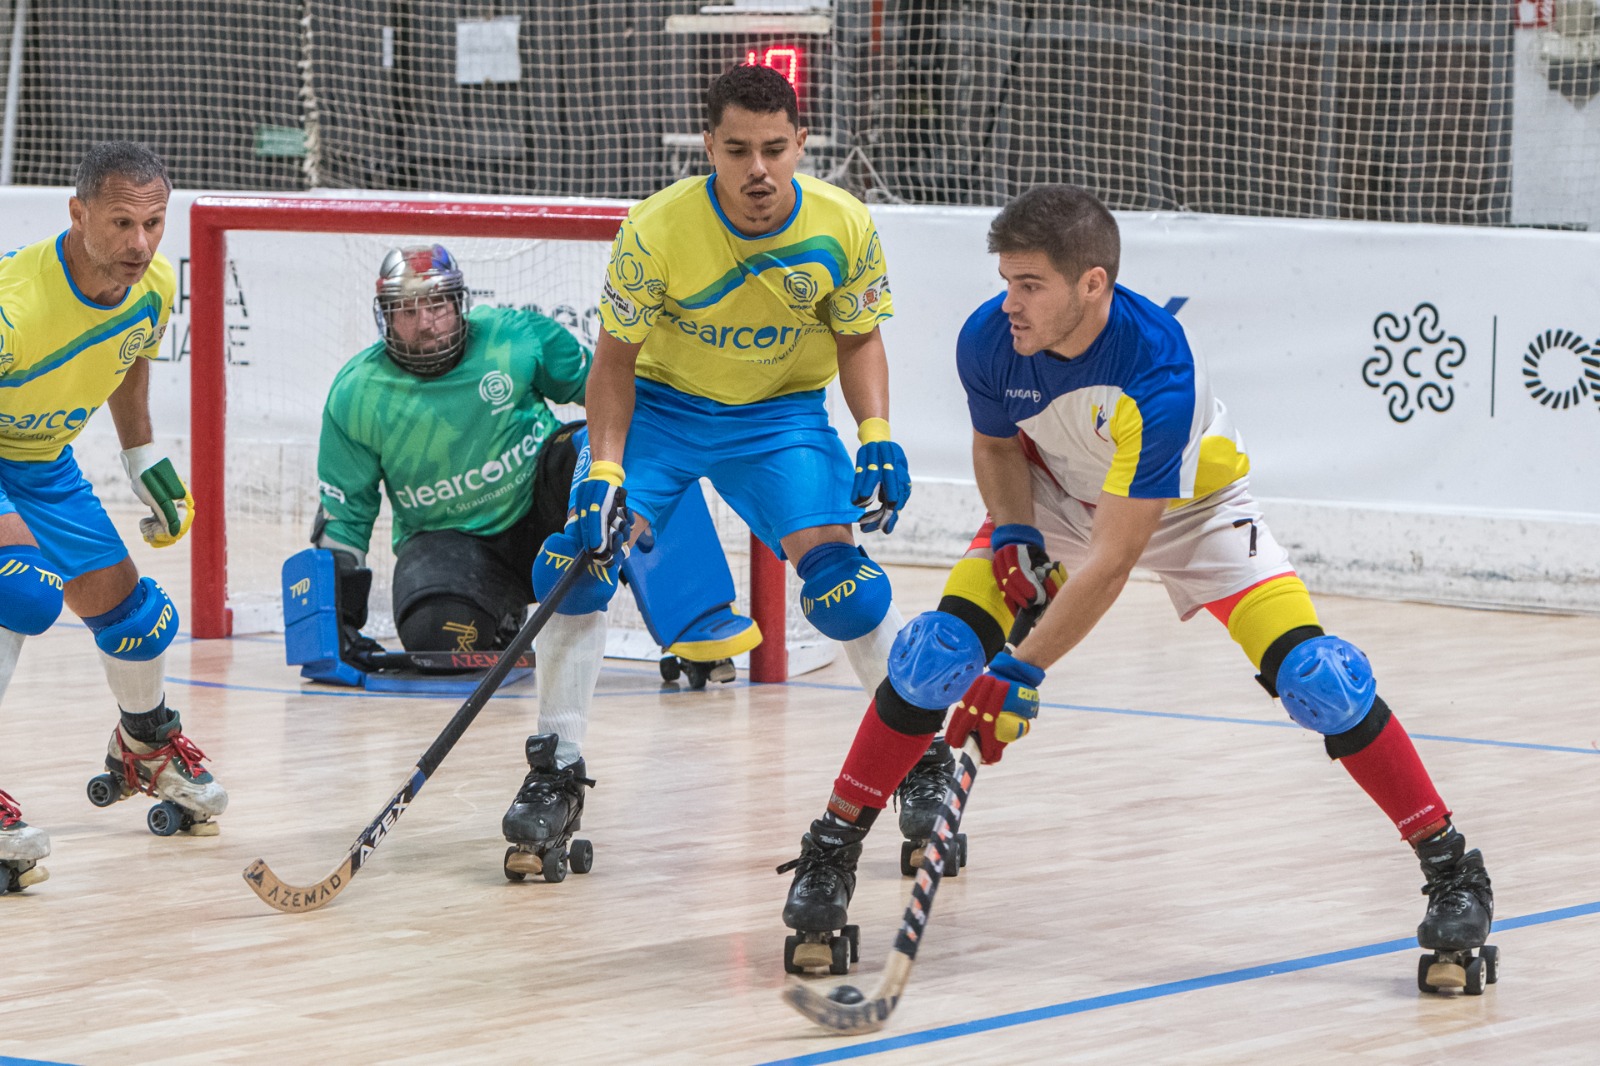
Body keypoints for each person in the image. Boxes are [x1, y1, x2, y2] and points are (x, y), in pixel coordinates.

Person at [778, 185, 1495, 992]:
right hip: (1052, 502)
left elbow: (1114, 561)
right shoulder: (989, 337)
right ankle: (831, 851)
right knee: (933, 657)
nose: (1009, 303)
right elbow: (997, 446)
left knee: (1321, 680)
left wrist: (1016, 672)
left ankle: (1453, 868)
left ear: (1094, 284)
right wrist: (1013, 531)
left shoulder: (1157, 365)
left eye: (1030, 285)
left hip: (1192, 511)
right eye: (1006, 280)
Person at [512, 64, 913, 881]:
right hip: (661, 407)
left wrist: (875, 430)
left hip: (780, 418)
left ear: (803, 143)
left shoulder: (844, 224)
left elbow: (858, 335)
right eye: (737, 150)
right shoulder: (656, 229)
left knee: (849, 589)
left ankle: (922, 757)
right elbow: (613, 361)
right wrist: (607, 470)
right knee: (574, 566)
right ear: (709, 148)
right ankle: (556, 765)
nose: (758, 170)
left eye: (774, 149)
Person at [302, 243, 756, 681]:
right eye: (407, 310)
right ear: (386, 317)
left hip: (549, 503)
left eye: (437, 305)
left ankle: (699, 617)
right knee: (439, 644)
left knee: (629, 450)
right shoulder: (355, 394)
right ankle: (499, 619)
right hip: (449, 542)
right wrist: (334, 624)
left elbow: (609, 391)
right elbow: (346, 516)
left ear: (459, 304)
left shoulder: (517, 337)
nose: (426, 323)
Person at [0, 142, 227, 892]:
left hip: (44, 462)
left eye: (155, 223)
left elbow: (128, 354)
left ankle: (146, 746)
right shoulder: (14, 305)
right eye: (123, 222)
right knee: (22, 589)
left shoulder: (153, 284)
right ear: (78, 213)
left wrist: (142, 458)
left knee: (137, 618)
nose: (140, 243)